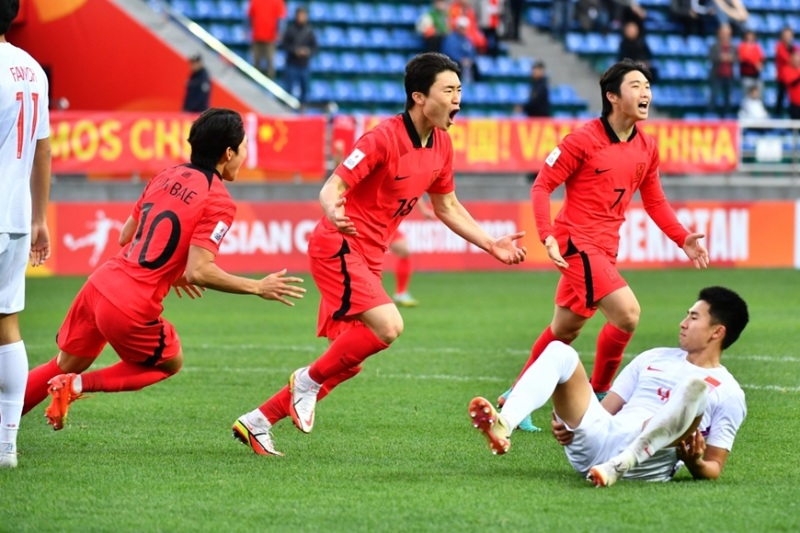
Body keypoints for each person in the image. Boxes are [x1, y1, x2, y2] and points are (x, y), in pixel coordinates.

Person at [232, 52, 528, 457]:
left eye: (460, 90)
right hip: (338, 243)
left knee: (349, 359)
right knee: (388, 325)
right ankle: (305, 382)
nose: (459, 98)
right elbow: (331, 187)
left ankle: (258, 420)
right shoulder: (382, 138)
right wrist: (331, 207)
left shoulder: (442, 144)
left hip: (370, 256)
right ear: (420, 97)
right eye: (450, 90)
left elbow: (447, 207)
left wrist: (491, 242)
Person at [22, 109, 306, 431]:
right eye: (243, 148)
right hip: (129, 304)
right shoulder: (220, 201)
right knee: (170, 362)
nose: (244, 155)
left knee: (61, 363)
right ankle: (75, 386)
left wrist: (171, 271)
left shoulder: (166, 174)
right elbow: (200, 271)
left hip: (99, 284)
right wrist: (258, 287)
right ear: (228, 153)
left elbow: (126, 237)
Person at [497, 58, 709, 430]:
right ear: (612, 96)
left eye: (647, 85)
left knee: (565, 329)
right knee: (627, 314)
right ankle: (599, 395)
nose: (646, 92)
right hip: (576, 242)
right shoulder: (582, 140)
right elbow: (542, 186)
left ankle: (515, 397)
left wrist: (683, 238)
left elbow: (655, 201)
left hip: (606, 247)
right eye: (636, 86)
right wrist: (546, 234)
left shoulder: (647, 146)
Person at [470, 286, 749, 487]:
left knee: (695, 389)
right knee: (559, 350)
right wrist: (568, 424)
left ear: (717, 331)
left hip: (647, 463)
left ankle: (623, 463)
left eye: (694, 317)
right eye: (686, 315)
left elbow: (714, 466)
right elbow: (605, 411)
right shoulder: (652, 357)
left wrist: (694, 462)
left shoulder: (729, 391)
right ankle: (504, 423)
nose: (683, 323)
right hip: (601, 444)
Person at [0, 0, 51, 469]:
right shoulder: (33, 69)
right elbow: (42, 148)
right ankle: (7, 445)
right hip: (15, 217)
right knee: (7, 325)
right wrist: (39, 216)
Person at [390, 197, 435, 308]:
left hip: (384, 221)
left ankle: (401, 293)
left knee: (404, 250)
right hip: (365, 217)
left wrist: (424, 210)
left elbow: (413, 190)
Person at [280, 6, 317, 108]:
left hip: (304, 64)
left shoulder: (309, 31)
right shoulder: (290, 30)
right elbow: (285, 45)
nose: (301, 17)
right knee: (289, 88)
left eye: (303, 15)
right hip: (292, 64)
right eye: (300, 15)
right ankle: (286, 107)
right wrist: (295, 51)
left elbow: (315, 46)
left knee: (305, 89)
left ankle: (303, 109)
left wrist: (307, 51)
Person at [248, 0, 286, 79]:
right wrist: (247, 30)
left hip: (270, 38)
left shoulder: (277, 1)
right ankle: (255, 84)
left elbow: (281, 19)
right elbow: (250, 16)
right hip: (256, 37)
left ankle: (270, 83)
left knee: (270, 63)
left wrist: (280, 33)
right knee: (256, 62)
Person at [708, 23, 737, 117]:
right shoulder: (714, 46)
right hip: (717, 74)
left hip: (729, 75)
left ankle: (726, 116)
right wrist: (720, 58)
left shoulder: (733, 46)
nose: (725, 35)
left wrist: (730, 58)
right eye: (723, 32)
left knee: (727, 98)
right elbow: (711, 57)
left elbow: (737, 58)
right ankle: (711, 116)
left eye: (727, 32)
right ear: (719, 33)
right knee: (714, 96)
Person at [441, 16, 478, 83]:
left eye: (464, 28)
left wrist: (470, 60)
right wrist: (461, 59)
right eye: (461, 28)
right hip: (454, 61)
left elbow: (472, 52)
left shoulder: (468, 40)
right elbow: (449, 52)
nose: (463, 30)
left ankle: (476, 85)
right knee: (457, 65)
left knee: (475, 66)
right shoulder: (451, 38)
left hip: (465, 62)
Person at [774, 27, 798, 118]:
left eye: (789, 35)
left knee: (794, 99)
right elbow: (788, 59)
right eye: (786, 35)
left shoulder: (794, 47)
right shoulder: (779, 46)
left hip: (794, 76)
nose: (788, 37)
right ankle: (777, 118)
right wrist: (795, 60)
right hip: (783, 77)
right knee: (780, 97)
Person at [737, 29, 764, 94]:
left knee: (758, 93)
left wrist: (760, 64)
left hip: (756, 75)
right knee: (746, 94)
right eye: (748, 35)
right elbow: (743, 57)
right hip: (746, 74)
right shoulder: (742, 46)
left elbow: (761, 58)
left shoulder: (757, 46)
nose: (750, 37)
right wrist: (755, 63)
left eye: (752, 35)